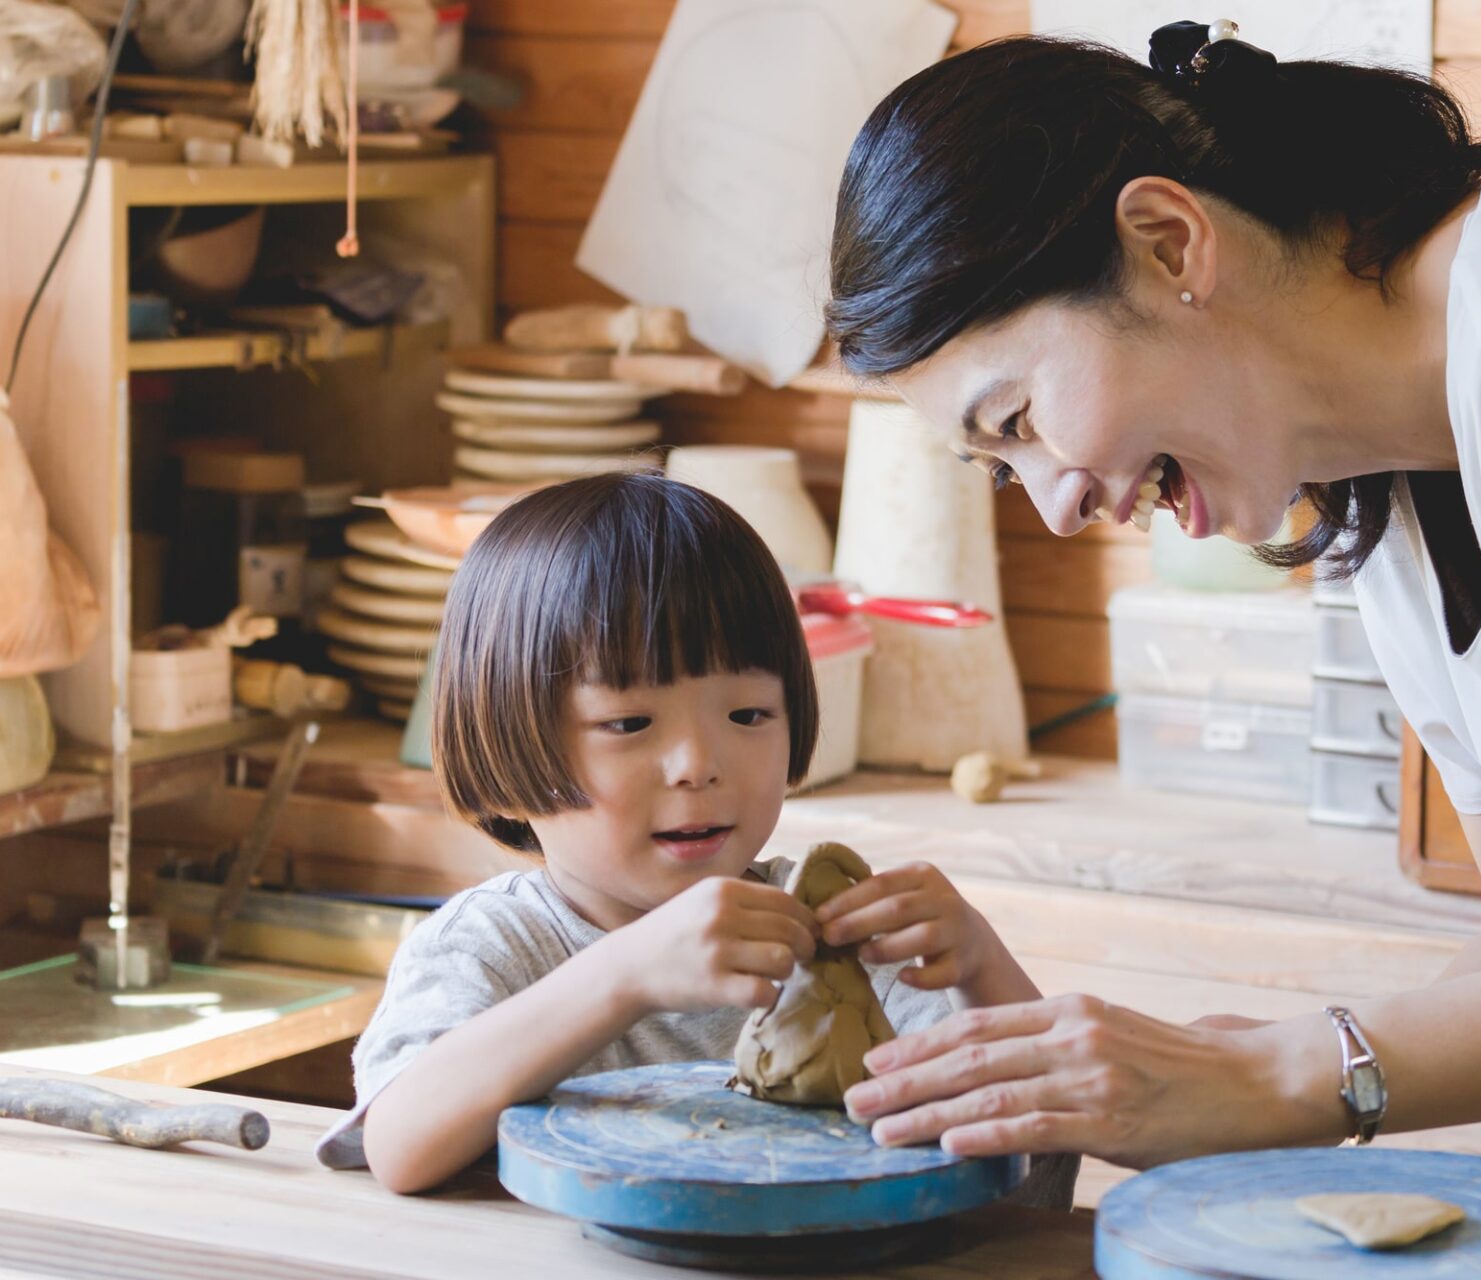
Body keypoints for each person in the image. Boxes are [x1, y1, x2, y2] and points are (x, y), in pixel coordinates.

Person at [823, 16, 1481, 1265]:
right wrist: (1224, 1076)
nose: (1059, 500)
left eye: (1022, 418)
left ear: (1169, 242)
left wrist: (1288, 1070)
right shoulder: (1387, 492)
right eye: (1000, 470)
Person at [315, 473, 1074, 1208]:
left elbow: (1036, 1137)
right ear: (508, 739)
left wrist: (976, 960)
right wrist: (627, 975)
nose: (699, 766)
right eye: (630, 723)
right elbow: (400, 1145)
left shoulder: (826, 929)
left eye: (747, 715)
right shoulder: (490, 947)